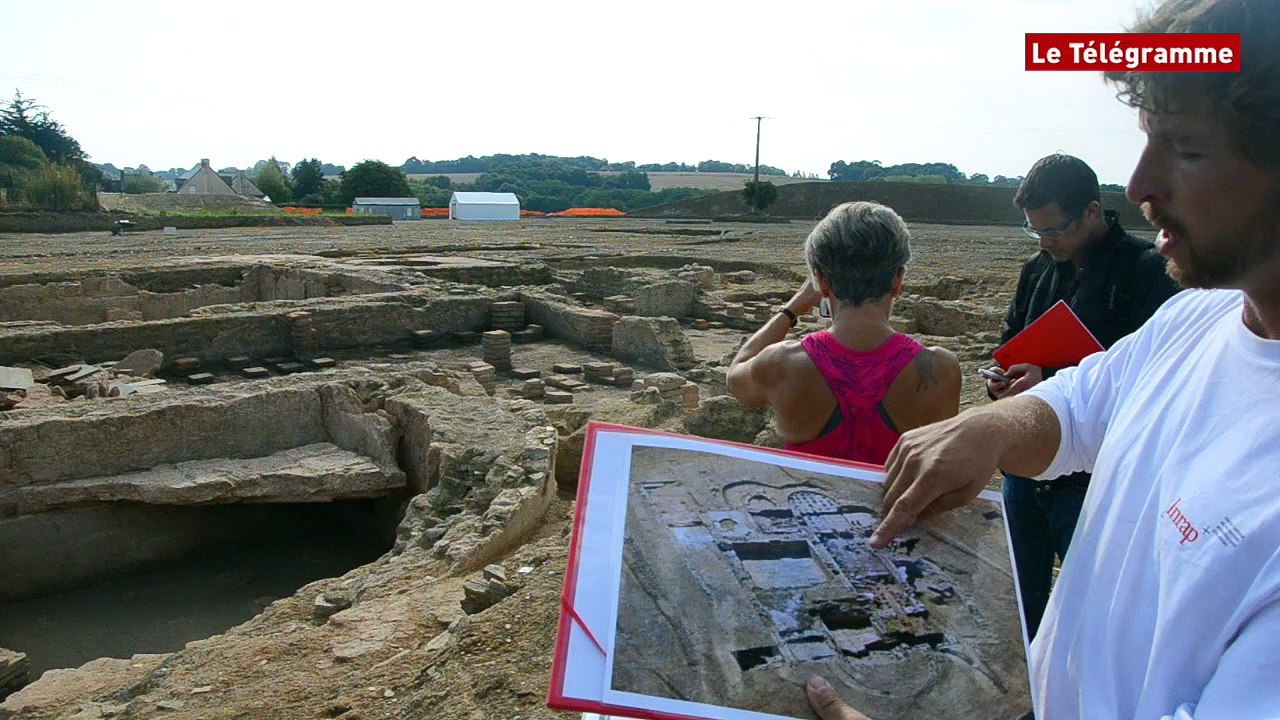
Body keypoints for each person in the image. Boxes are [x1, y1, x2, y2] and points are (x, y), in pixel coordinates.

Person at [807, 0, 1280, 717]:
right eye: (1148, 139)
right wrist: (993, 428)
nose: (1140, 185)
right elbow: (1084, 402)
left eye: (1186, 150)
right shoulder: (1199, 317)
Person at [992, 153, 1179, 639]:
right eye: (1035, 232)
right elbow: (1014, 335)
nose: (1046, 241)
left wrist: (1049, 377)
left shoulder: (1149, 272)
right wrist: (1004, 382)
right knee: (1018, 609)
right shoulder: (1037, 269)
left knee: (1098, 620)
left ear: (1093, 211)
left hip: (1096, 483)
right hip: (1025, 475)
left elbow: (1153, 377)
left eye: (1055, 229)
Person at [727, 200, 960, 465]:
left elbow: (736, 378)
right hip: (898, 507)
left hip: (807, 503)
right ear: (898, 281)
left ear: (822, 283)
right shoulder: (939, 369)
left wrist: (792, 308)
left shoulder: (783, 363)